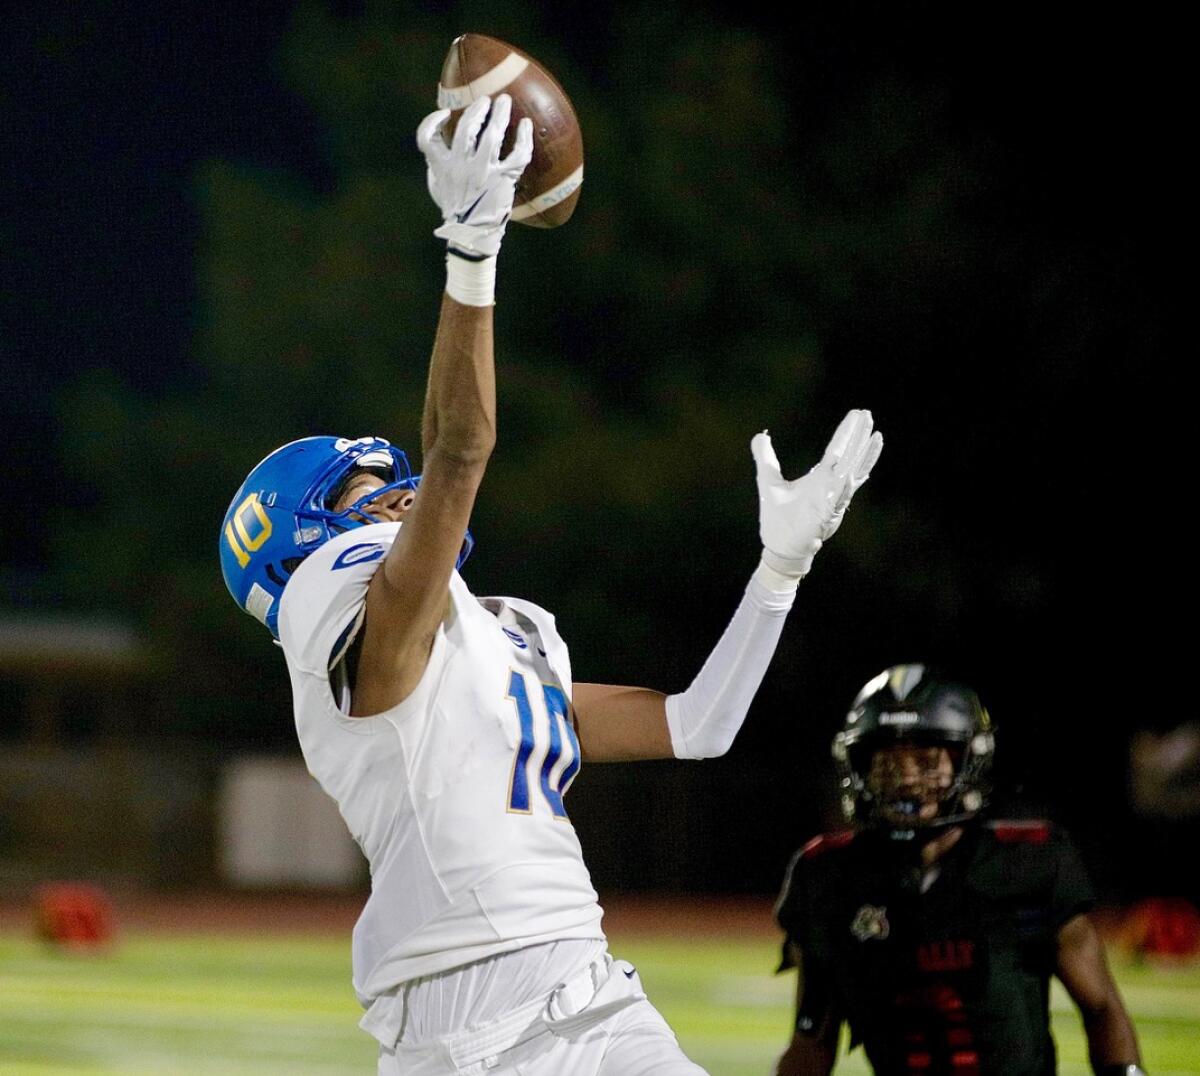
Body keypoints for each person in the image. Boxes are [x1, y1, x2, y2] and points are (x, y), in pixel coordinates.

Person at [220, 92, 883, 1076]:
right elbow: (459, 450)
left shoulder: (500, 635)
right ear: (306, 545)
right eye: (369, 490)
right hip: (460, 1036)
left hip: (591, 992)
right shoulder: (346, 618)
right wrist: (472, 249)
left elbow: (700, 724)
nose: (398, 493)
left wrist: (780, 570)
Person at [773, 663, 1143, 1076]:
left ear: (967, 761)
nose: (907, 779)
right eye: (887, 761)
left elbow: (1101, 1008)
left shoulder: (1029, 863)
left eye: (926, 759)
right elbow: (811, 1041)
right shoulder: (827, 876)